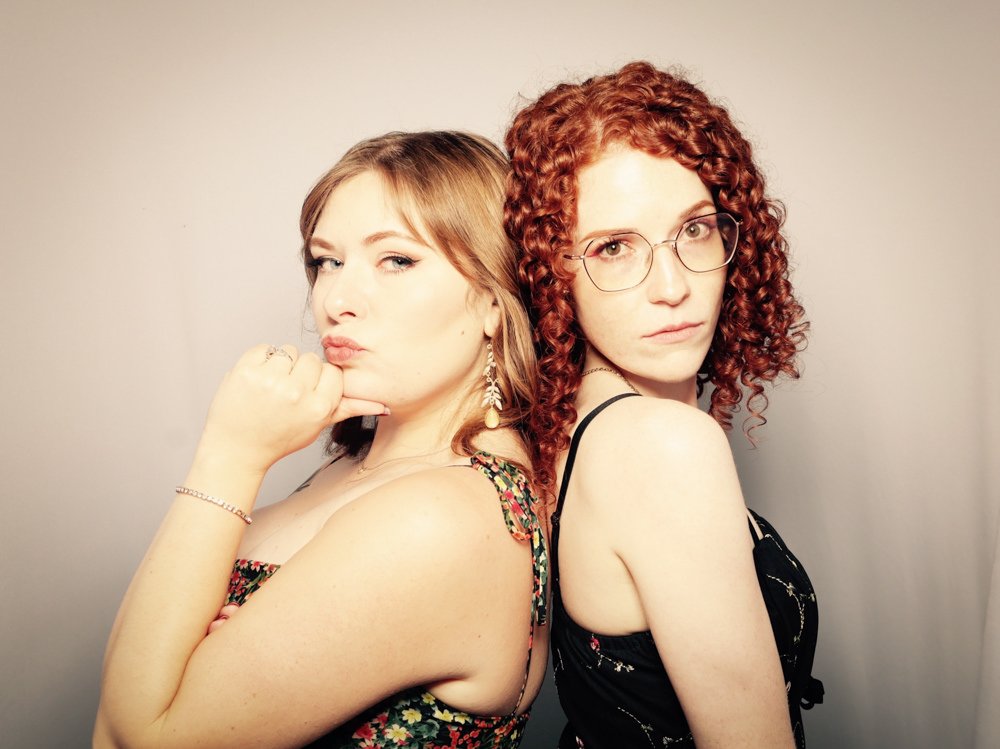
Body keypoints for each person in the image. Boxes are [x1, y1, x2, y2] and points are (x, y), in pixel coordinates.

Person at [94, 131, 548, 748]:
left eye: (397, 260)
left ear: (495, 301)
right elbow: (122, 707)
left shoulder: (442, 518)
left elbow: (134, 740)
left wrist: (229, 456)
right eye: (326, 261)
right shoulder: (359, 468)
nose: (335, 300)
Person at [504, 62, 823, 748]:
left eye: (695, 229)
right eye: (613, 248)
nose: (673, 285)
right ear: (550, 273)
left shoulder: (568, 429)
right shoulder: (661, 444)